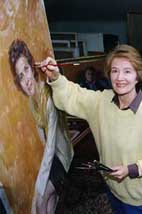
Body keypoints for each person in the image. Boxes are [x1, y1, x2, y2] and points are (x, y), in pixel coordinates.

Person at [38, 44, 142, 214]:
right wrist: (56, 77)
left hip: (136, 196)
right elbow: (75, 95)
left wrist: (130, 169)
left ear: (138, 76)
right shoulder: (102, 101)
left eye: (127, 71)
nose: (120, 77)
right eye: (115, 71)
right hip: (111, 185)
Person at [8, 39, 74, 214]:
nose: (26, 80)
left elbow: (51, 144)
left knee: (41, 200)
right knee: (44, 204)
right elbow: (44, 141)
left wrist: (39, 186)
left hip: (63, 155)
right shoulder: (31, 101)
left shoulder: (48, 96)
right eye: (20, 76)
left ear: (32, 66)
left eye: (26, 70)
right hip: (52, 157)